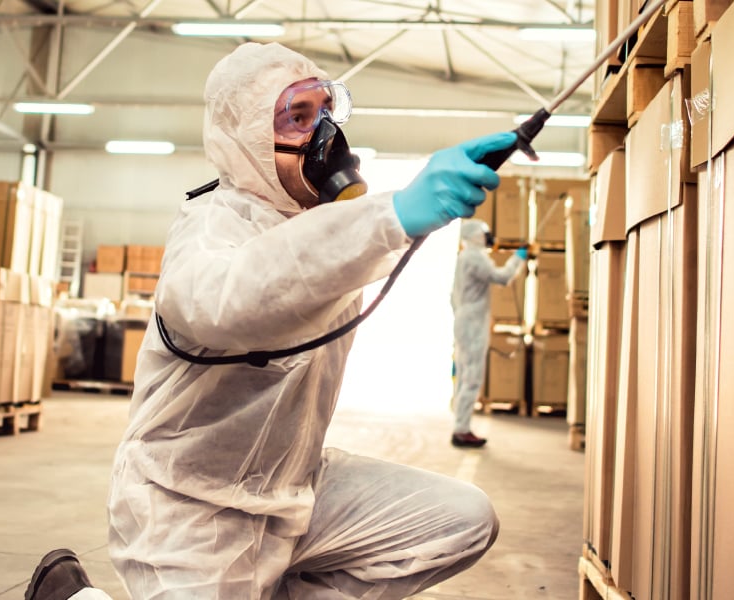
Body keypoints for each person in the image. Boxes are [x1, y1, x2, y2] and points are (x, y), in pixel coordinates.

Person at [26, 42, 520, 600]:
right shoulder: (210, 225)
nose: (324, 137)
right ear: (247, 136)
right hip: (190, 507)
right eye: (299, 117)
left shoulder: (323, 227)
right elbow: (229, 301)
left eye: (326, 114)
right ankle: (71, 595)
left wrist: (379, 219)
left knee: (462, 520)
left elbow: (311, 256)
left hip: (294, 491)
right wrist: (391, 214)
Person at [449, 220, 528, 449]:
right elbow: (501, 277)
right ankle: (462, 430)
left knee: (464, 375)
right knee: (472, 376)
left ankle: (460, 426)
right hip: (473, 323)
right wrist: (518, 258)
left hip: (463, 319)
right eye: (485, 234)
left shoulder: (463, 256)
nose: (488, 237)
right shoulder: (475, 256)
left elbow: (451, 295)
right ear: (475, 236)